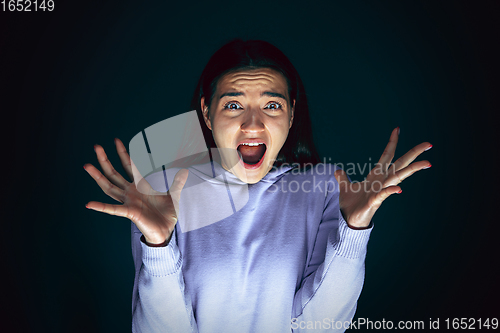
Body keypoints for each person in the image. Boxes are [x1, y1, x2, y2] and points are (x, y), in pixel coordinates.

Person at [84, 39, 432, 332]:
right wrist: (157, 246)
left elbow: (322, 328)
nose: (253, 123)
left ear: (292, 114)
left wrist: (354, 230)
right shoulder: (161, 191)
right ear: (206, 114)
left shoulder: (325, 187)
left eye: (272, 105)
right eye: (233, 105)